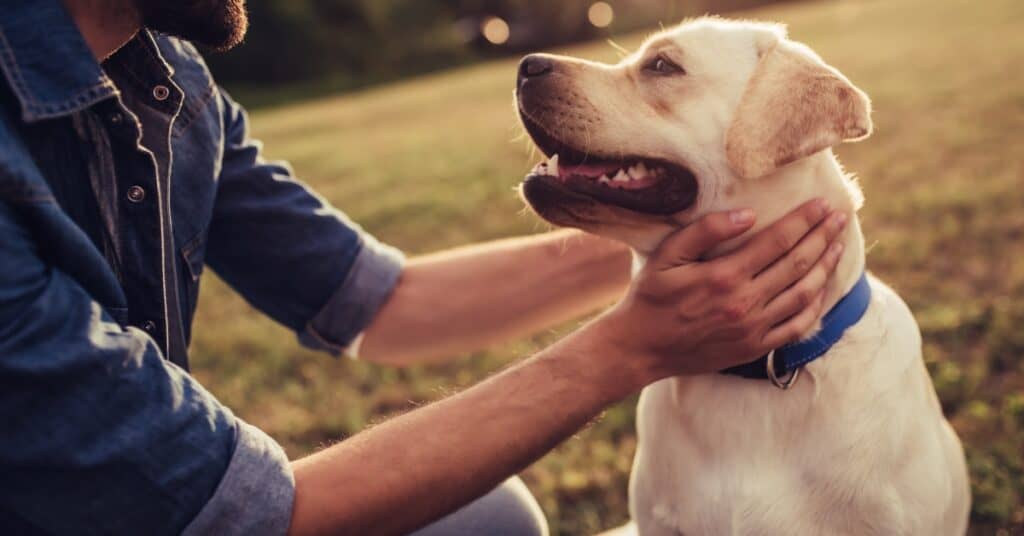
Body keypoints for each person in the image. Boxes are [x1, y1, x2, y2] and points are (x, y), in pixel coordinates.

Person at [0, 1, 847, 534]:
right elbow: (236, 517)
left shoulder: (168, 85)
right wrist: (631, 348)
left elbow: (384, 301)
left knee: (490, 521)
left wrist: (691, 225)